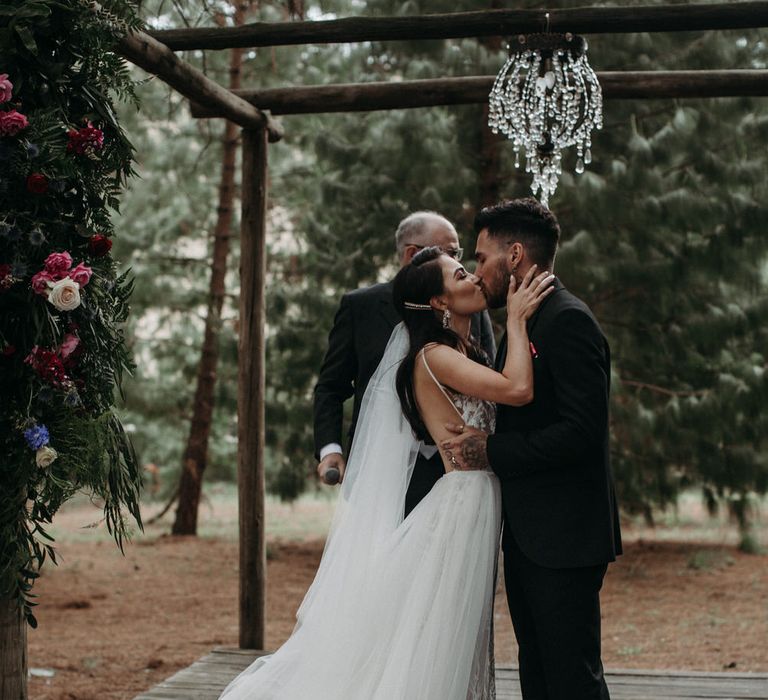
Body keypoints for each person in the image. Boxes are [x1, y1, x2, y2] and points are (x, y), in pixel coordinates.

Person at [218, 246, 554, 699]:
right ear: (438, 302)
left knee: (452, 629)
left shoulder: (463, 348)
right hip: (462, 504)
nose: (474, 278)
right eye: (460, 276)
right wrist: (516, 320)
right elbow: (517, 388)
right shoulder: (435, 356)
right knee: (438, 630)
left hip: (476, 500)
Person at [442, 198, 623, 700]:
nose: (477, 273)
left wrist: (491, 451)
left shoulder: (568, 320)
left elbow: (582, 432)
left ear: (515, 255)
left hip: (565, 536)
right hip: (528, 536)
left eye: (481, 257)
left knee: (572, 680)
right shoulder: (522, 323)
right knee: (539, 676)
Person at [313, 211, 495, 515]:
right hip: (379, 471)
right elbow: (331, 387)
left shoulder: (471, 306)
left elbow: (490, 378)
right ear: (413, 253)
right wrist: (330, 450)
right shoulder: (361, 307)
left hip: (451, 472)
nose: (462, 266)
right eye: (451, 253)